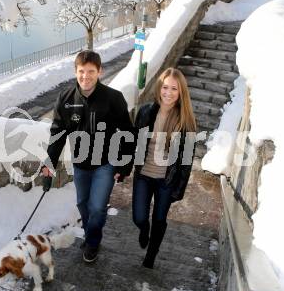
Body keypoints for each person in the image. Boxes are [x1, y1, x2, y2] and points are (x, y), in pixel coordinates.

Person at [42, 50, 134, 263]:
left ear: (99, 72)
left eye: (91, 71)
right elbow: (57, 134)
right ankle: (92, 233)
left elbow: (129, 133)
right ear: (76, 72)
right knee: (83, 204)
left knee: (97, 207)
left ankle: (93, 242)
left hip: (106, 162)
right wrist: (49, 165)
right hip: (81, 163)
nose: (86, 76)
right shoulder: (65, 99)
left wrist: (125, 165)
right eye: (81, 71)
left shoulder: (113, 98)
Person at [133, 67, 197, 269]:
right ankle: (144, 229)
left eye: (174, 89)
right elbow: (132, 142)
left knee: (159, 219)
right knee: (139, 217)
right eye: (165, 87)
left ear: (181, 93)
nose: (168, 93)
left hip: (166, 180)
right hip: (144, 174)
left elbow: (186, 161)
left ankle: (151, 255)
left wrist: (178, 190)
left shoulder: (185, 121)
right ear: (160, 87)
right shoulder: (145, 111)